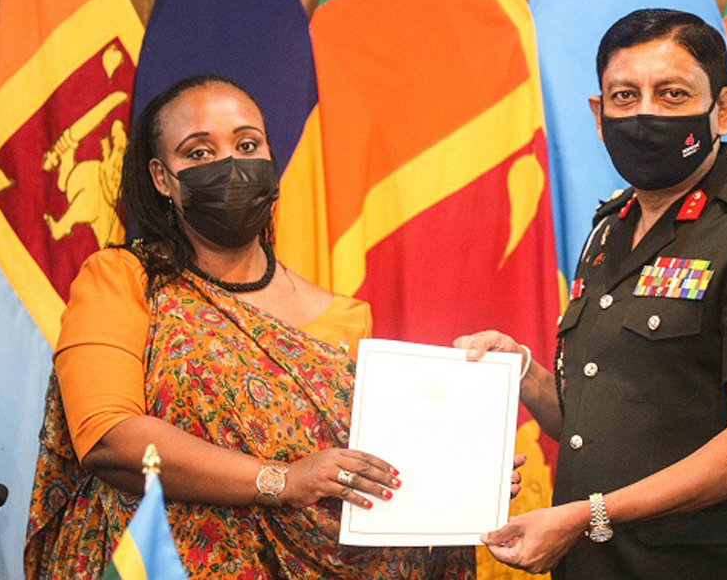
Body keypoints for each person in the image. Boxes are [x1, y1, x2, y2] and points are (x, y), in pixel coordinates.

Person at [25, 74, 475, 579]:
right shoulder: (123, 280)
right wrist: (280, 480)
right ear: (161, 177)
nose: (229, 165)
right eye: (198, 153)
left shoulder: (345, 317)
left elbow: (366, 477)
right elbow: (109, 438)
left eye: (246, 144)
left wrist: (459, 481)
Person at [456, 9, 727, 579]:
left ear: (723, 109)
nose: (645, 114)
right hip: (594, 565)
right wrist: (526, 373)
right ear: (598, 113)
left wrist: (585, 515)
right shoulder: (609, 230)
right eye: (625, 96)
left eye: (673, 94)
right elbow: (600, 417)